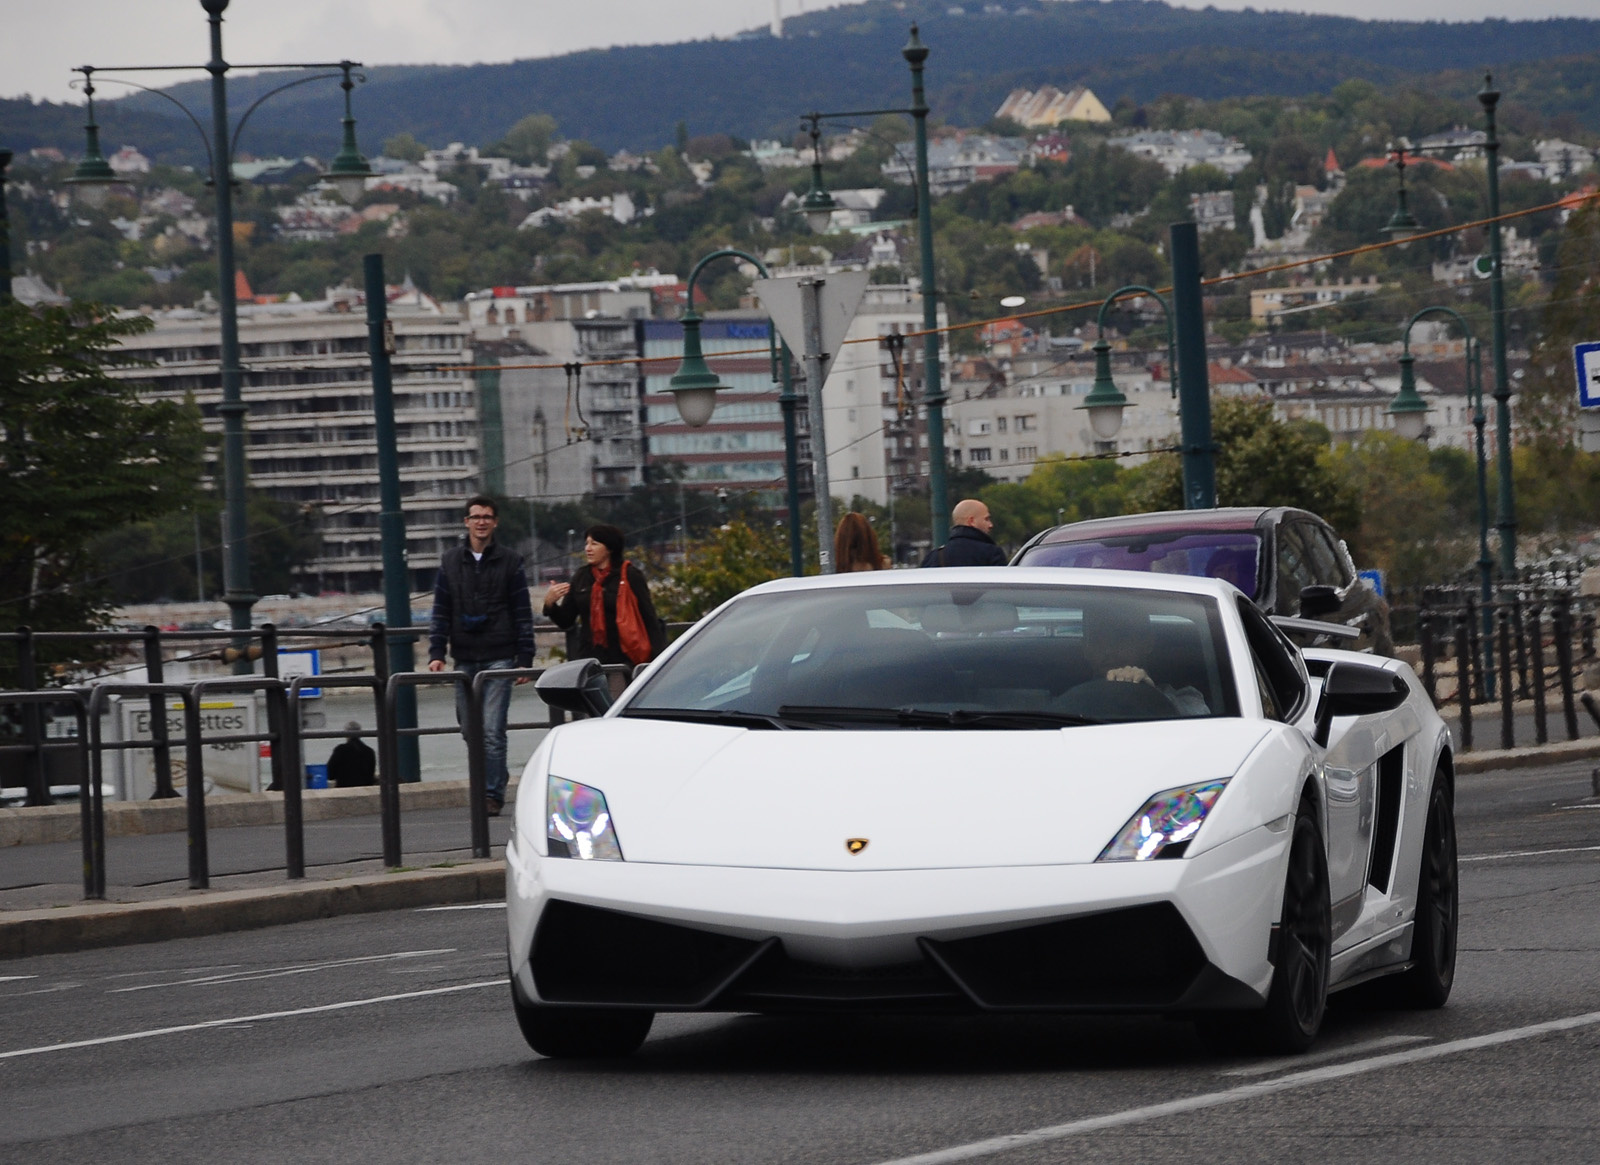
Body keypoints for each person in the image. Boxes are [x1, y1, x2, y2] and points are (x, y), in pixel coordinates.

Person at [428, 496, 536, 818]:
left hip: (500, 655)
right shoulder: (450, 562)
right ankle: (495, 776)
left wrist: (524, 658)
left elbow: (521, 612)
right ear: (466, 522)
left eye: (487, 517)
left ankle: (491, 794)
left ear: (495, 522)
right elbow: (441, 611)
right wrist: (436, 652)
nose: (481, 522)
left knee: (491, 729)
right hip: (464, 657)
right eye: (476, 517)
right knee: (469, 729)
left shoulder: (510, 561)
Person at [542, 524, 666, 670]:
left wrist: (657, 661)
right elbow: (566, 621)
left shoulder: (630, 575)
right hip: (590, 658)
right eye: (586, 544)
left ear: (610, 548)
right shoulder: (581, 576)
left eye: (594, 544)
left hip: (625, 657)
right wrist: (550, 604)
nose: (588, 549)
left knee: (618, 691)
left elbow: (649, 618)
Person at [921, 498, 1007, 567]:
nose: (991, 525)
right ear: (971, 521)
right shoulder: (992, 553)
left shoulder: (934, 557)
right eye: (986, 519)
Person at [326, 721, 376, 788]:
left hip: (344, 788)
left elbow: (330, 774)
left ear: (346, 734)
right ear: (360, 733)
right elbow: (371, 775)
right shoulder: (369, 751)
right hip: (365, 789)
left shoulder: (340, 750)